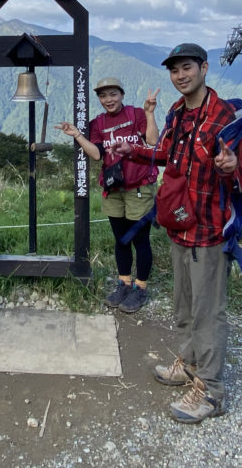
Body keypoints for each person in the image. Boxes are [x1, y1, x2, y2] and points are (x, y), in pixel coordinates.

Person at [111, 43, 242, 424]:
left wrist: (231, 166)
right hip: (179, 226)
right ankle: (188, 364)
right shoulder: (176, 112)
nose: (180, 76)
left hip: (209, 231)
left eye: (187, 68)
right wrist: (133, 150)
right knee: (184, 305)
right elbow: (166, 154)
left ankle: (211, 390)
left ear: (204, 68)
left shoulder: (225, 117)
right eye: (174, 71)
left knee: (208, 312)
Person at [56, 78, 159, 313]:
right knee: (121, 239)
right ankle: (124, 283)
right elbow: (96, 154)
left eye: (113, 94)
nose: (108, 100)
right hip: (113, 188)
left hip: (139, 186)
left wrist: (150, 113)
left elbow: (153, 141)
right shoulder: (98, 123)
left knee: (140, 239)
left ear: (122, 94)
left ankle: (140, 288)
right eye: (103, 96)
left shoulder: (136, 114)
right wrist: (77, 135)